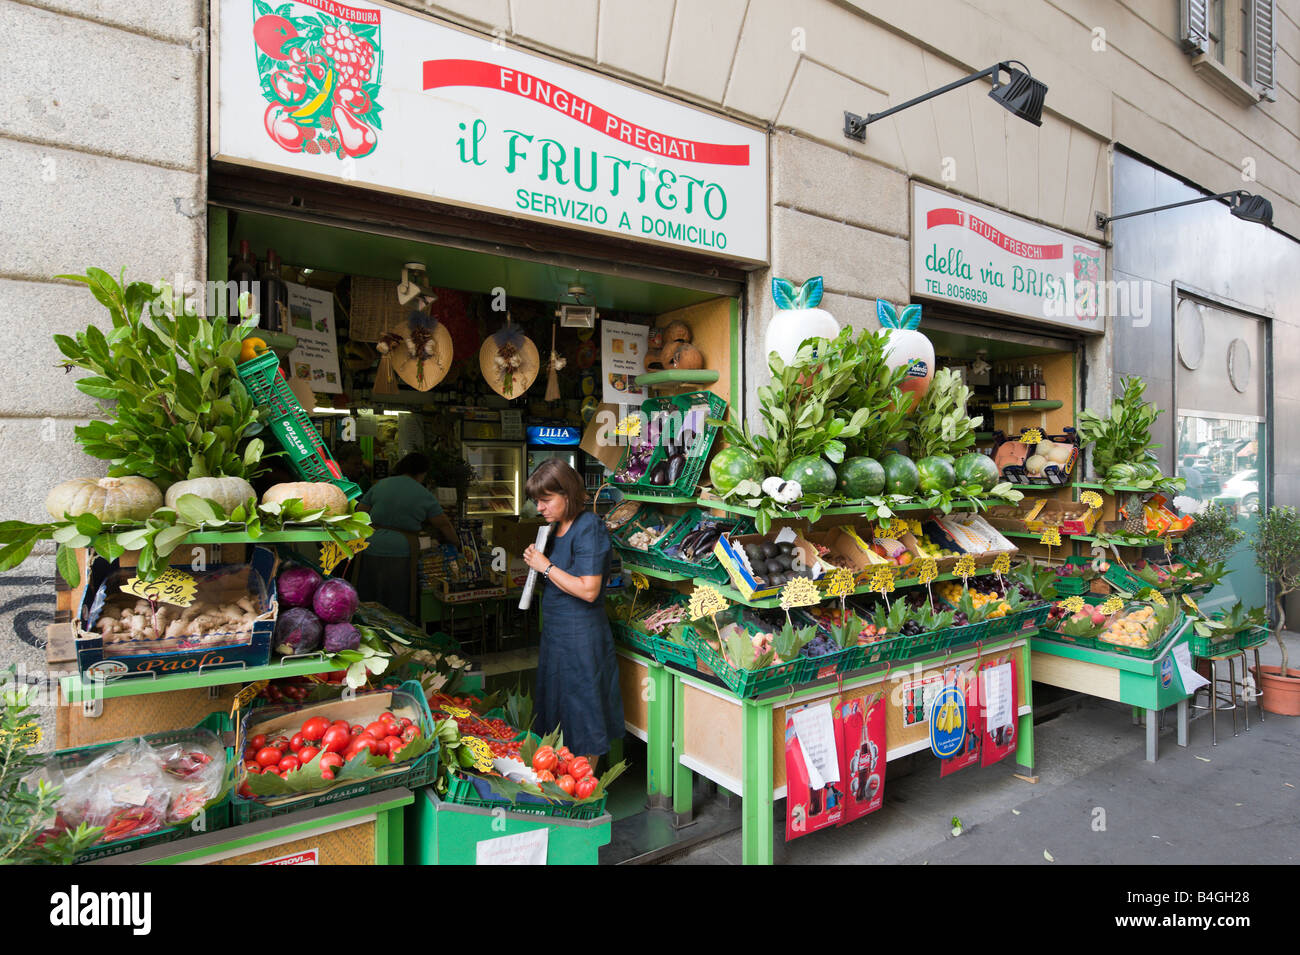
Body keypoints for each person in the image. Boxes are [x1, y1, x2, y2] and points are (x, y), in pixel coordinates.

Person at [522, 458, 624, 768]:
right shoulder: (555, 529)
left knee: (583, 711)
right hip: (557, 635)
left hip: (581, 637)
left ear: (567, 493)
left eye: (546, 499)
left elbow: (589, 589)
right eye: (537, 501)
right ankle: (563, 783)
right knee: (557, 708)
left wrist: (546, 566)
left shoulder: (588, 527)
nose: (540, 507)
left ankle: (586, 791)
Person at [355, 452, 457, 618]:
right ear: (423, 472)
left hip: (370, 545)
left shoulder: (380, 485)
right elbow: (443, 524)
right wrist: (457, 543)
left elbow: (360, 513)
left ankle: (369, 631)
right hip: (402, 551)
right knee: (397, 603)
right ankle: (397, 639)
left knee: (369, 599)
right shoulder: (423, 494)